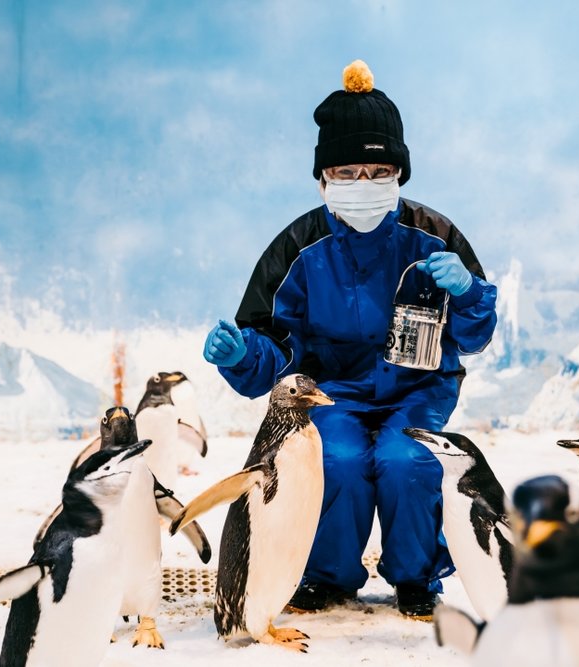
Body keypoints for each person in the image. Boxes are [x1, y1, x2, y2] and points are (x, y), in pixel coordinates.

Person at [202, 60, 498, 620]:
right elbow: (275, 352)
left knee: (406, 460)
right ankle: (328, 576)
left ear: (398, 174)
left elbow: (474, 335)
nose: (362, 184)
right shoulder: (298, 247)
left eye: (376, 170)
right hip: (329, 393)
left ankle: (415, 579)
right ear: (323, 178)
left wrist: (469, 295)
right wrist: (243, 356)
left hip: (418, 389)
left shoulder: (433, 238)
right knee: (334, 460)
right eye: (346, 172)